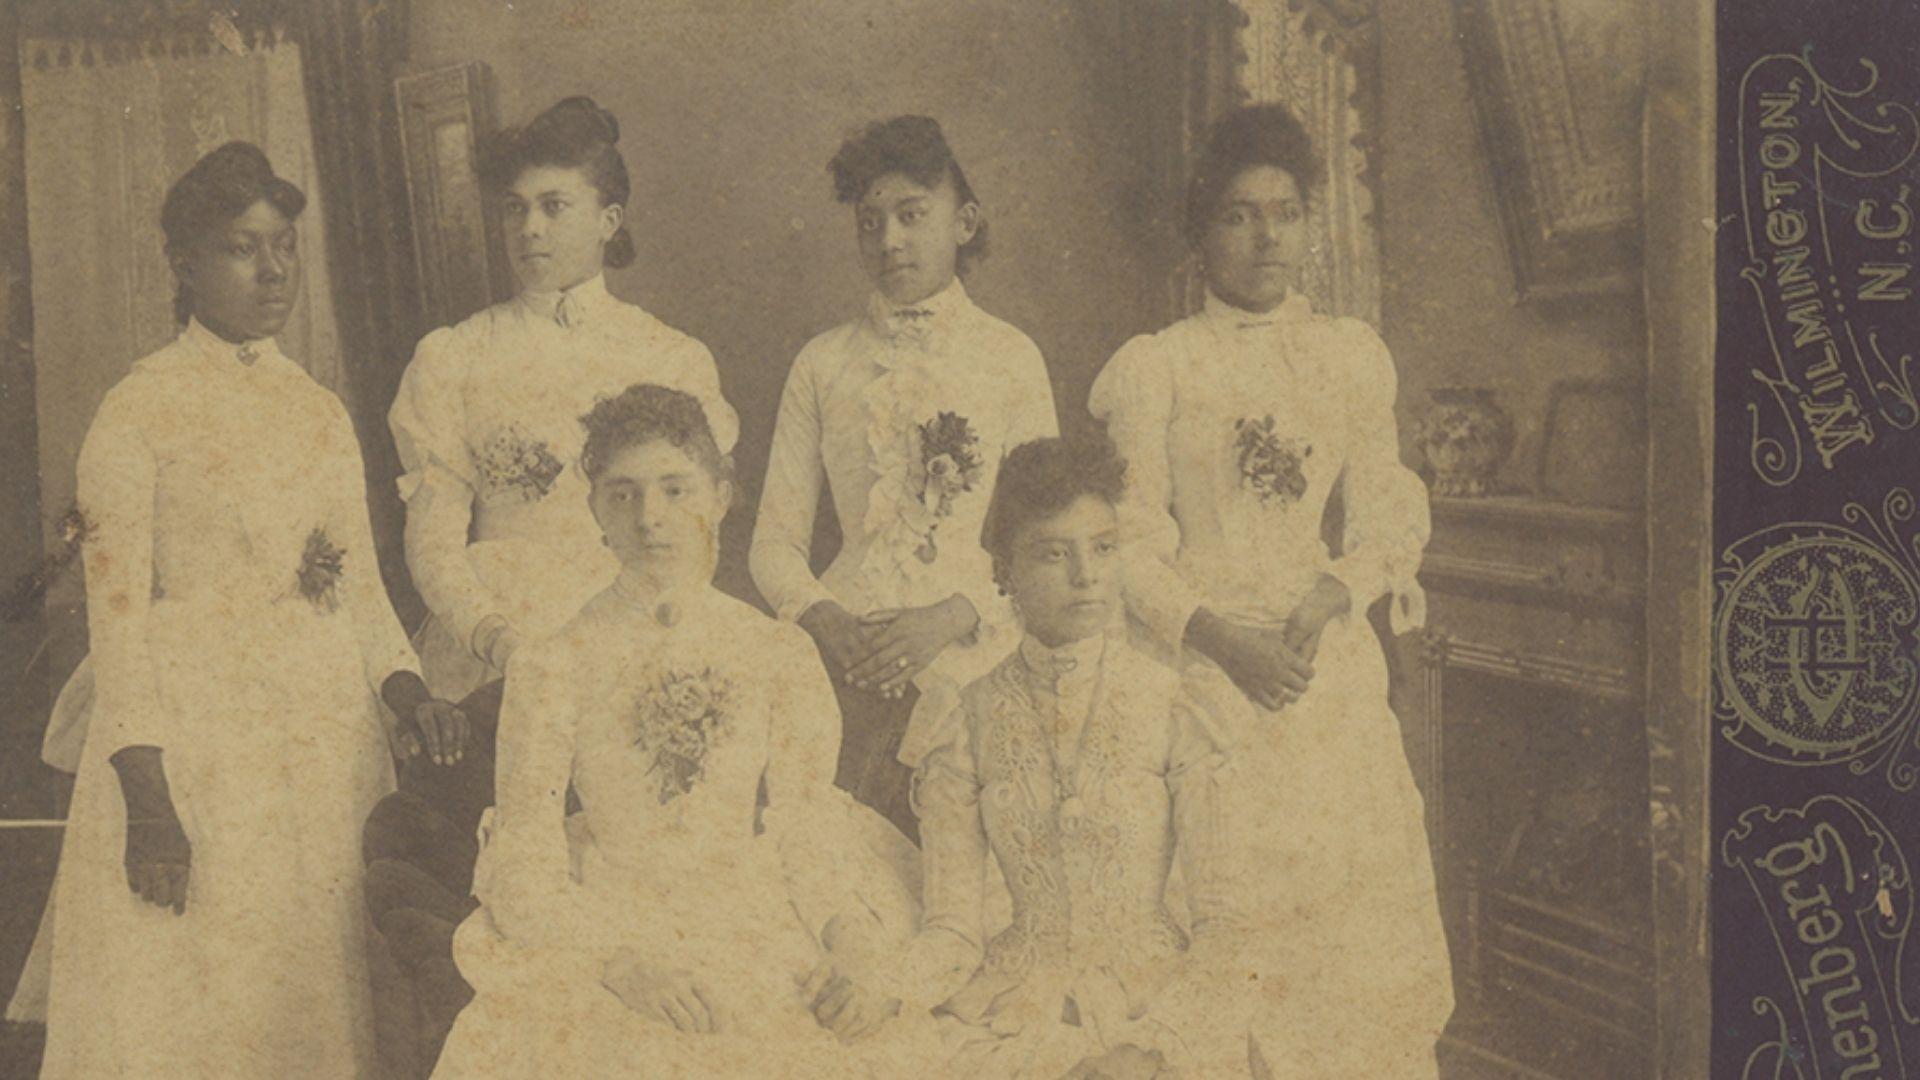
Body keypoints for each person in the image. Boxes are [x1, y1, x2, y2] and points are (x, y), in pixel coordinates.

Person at [33, 142, 460, 1078]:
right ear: (184, 266)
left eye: (285, 246)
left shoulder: (317, 410)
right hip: (192, 746)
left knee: (304, 986)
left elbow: (357, 589)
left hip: (316, 742)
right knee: (199, 989)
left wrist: (405, 687)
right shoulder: (136, 410)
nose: (272, 271)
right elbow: (117, 621)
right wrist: (149, 802)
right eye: (241, 248)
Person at [1088, 103, 1454, 1075]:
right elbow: (1127, 545)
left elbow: (1384, 510)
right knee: (1234, 922)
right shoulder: (1159, 366)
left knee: (1347, 933)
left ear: (1309, 223)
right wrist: (1215, 636)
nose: (1265, 238)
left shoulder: (1347, 354)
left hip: (1321, 658)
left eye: (1284, 214)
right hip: (1202, 665)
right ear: (1204, 229)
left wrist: (1339, 591)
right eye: (1240, 216)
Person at [431, 385, 920, 1078]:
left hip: (750, 916)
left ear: (720, 496)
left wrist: (851, 946)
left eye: (674, 489)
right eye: (623, 494)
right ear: (595, 506)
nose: (650, 518)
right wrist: (620, 966)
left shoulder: (776, 652)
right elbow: (526, 857)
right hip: (615, 923)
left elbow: (807, 834)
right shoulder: (554, 661)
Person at [836, 433, 1256, 1078]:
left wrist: (1150, 1049)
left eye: (1103, 548)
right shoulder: (963, 717)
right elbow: (952, 932)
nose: (1086, 575)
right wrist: (886, 986)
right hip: (1012, 1006)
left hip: (1156, 1013)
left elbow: (1227, 927)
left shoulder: (1176, 705)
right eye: (1054, 554)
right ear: (1003, 571)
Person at [750, 115, 1057, 839]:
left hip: (971, 640)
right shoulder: (823, 363)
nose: (890, 241)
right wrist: (828, 621)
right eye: (870, 222)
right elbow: (771, 547)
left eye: (912, 215)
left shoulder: (1011, 359)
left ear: (964, 221)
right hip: (841, 651)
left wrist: (951, 617)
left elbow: (1045, 542)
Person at [389, 95, 738, 707]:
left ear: (608, 220)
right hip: (498, 645)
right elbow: (434, 540)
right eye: (515, 209)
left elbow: (694, 535)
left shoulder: (669, 357)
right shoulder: (455, 356)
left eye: (554, 207)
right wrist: (496, 640)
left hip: (634, 636)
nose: (529, 229)